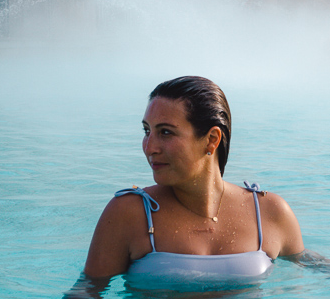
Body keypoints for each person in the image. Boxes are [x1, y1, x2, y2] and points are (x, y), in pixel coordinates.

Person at [84, 75, 304, 280]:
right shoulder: (128, 214)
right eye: (146, 131)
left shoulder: (270, 212)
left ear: (211, 139)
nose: (149, 147)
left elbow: (308, 277)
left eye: (166, 132)